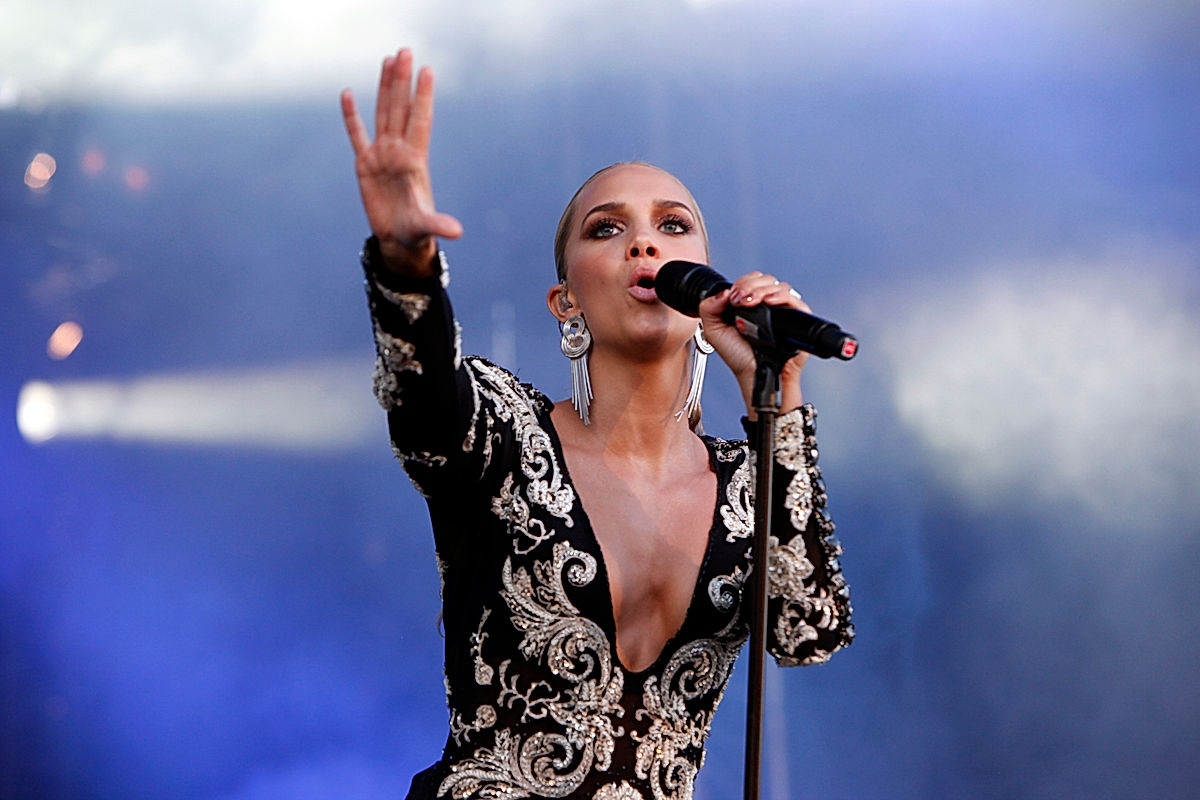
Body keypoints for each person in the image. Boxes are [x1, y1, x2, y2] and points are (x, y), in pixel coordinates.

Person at [341, 48, 853, 800]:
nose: (645, 243)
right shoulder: (509, 435)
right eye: (607, 229)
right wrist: (405, 258)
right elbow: (422, 402)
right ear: (565, 302)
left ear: (710, 283)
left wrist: (777, 393)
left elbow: (808, 630)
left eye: (672, 226)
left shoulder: (748, 483)